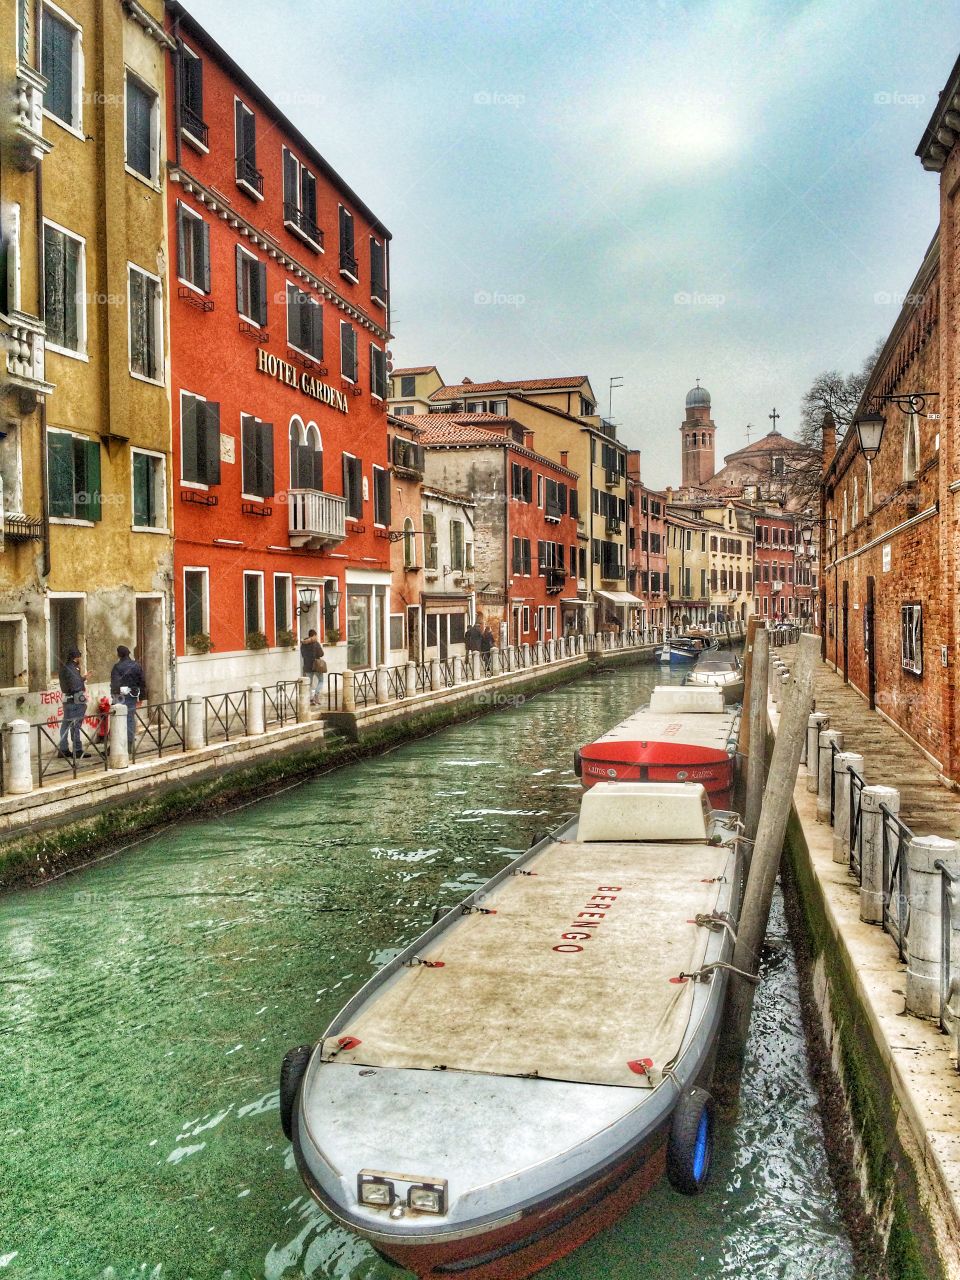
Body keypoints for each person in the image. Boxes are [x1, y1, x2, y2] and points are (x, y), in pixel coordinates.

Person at [110, 645, 146, 753]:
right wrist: (141, 697)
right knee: (130, 719)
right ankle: (129, 744)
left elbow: (115, 684)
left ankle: (120, 745)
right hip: (133, 696)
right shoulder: (136, 665)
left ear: (119, 654)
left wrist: (114, 696)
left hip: (120, 696)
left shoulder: (117, 667)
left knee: (118, 719)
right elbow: (142, 682)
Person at [58, 648, 89, 758]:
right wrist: (81, 681)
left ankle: (63, 749)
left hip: (67, 699)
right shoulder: (72, 669)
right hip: (75, 699)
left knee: (66, 725)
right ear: (76, 658)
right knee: (75, 725)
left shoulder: (64, 668)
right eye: (79, 657)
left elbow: (71, 683)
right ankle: (77, 749)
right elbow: (75, 686)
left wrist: (83, 678)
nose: (80, 659)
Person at [300, 629, 325, 704]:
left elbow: (303, 655)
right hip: (316, 666)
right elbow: (321, 654)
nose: (316, 637)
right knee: (321, 680)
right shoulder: (316, 643)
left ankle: (311, 699)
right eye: (316, 636)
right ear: (314, 635)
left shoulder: (303, 644)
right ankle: (316, 695)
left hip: (307, 665)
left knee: (309, 684)